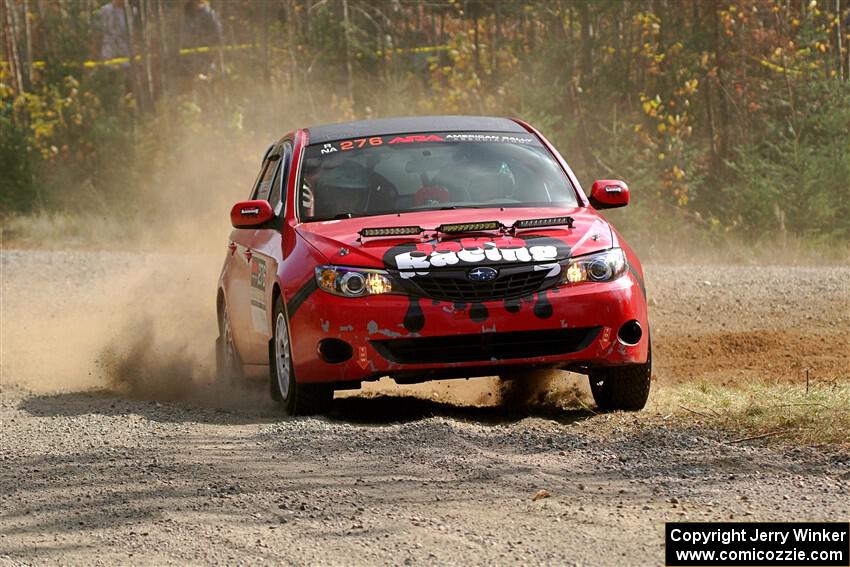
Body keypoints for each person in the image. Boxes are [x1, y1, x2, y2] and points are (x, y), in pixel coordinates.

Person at [179, 0, 223, 79]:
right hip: (190, 50)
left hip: (206, 46)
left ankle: (208, 78)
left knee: (208, 69)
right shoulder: (186, 13)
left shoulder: (208, 13)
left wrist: (216, 42)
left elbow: (217, 29)